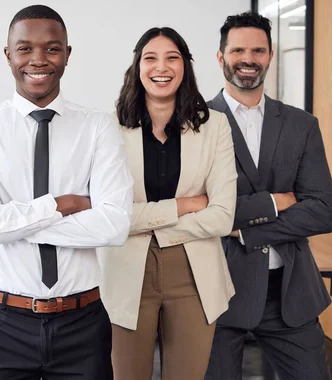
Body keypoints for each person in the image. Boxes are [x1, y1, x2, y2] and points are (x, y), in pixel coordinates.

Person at [0, 4, 134, 380]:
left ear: (67, 54)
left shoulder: (98, 127)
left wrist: (5, 218)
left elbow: (114, 226)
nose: (38, 59)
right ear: (8, 54)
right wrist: (62, 206)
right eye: (25, 48)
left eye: (52, 48)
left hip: (82, 324)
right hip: (2, 325)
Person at [98, 27, 237, 380]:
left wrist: (143, 220)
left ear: (185, 66)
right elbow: (108, 216)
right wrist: (184, 205)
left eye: (172, 57)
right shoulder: (107, 127)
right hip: (126, 272)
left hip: (195, 273)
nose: (162, 67)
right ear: (137, 66)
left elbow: (222, 216)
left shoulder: (216, 126)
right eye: (151, 57)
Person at [205, 12, 332, 380]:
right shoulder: (194, 123)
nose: (249, 59)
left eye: (258, 50)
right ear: (221, 57)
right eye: (239, 50)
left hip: (289, 293)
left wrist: (246, 231)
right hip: (217, 294)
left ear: (270, 55)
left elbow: (322, 211)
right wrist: (277, 202)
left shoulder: (301, 124)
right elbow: (199, 212)